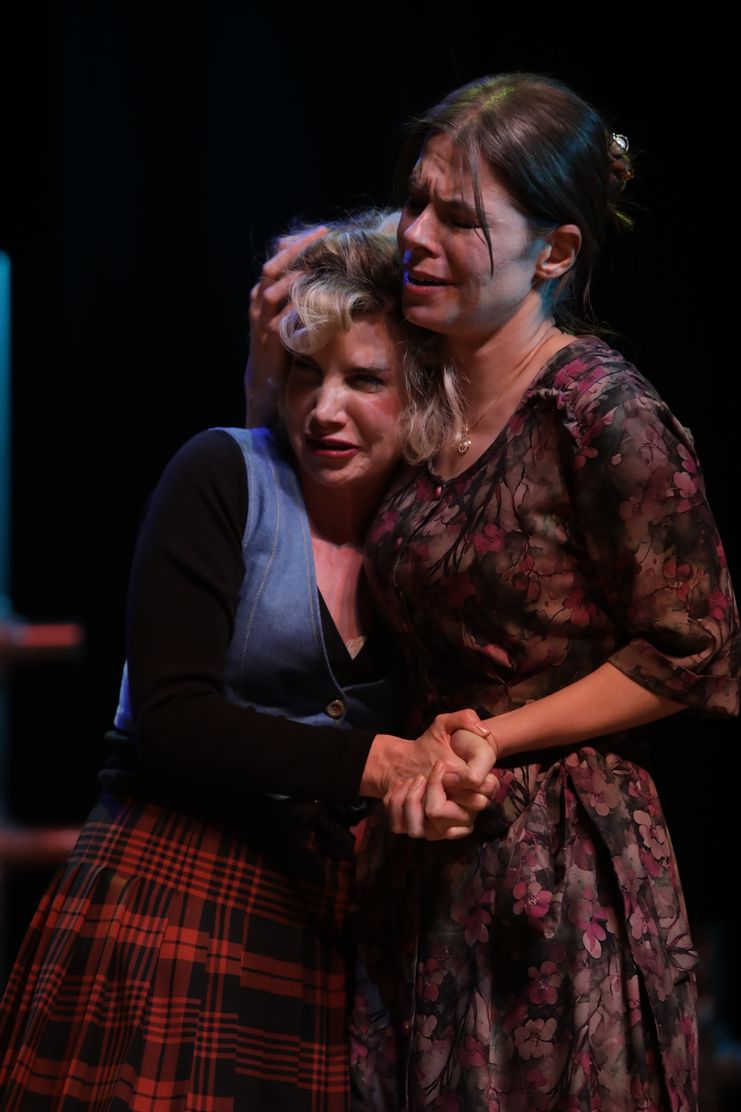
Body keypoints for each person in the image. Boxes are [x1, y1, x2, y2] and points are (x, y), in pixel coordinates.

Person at [0, 213, 496, 1111]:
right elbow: (173, 716)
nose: (325, 408)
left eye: (364, 380)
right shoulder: (224, 475)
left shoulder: (427, 542)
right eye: (307, 372)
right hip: (172, 884)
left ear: (421, 395)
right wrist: (377, 761)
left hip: (321, 923)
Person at [344, 75, 740, 1111]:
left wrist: (494, 736)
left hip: (559, 874)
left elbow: (692, 650)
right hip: (423, 849)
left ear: (553, 253)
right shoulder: (418, 402)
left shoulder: (599, 410)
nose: (414, 235)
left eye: (458, 217)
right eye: (415, 202)